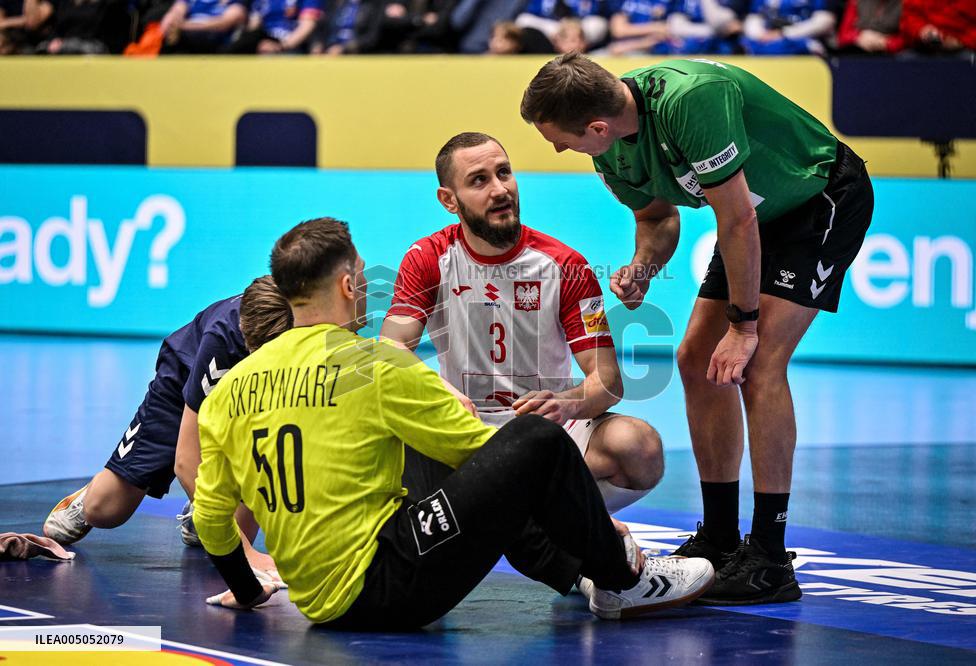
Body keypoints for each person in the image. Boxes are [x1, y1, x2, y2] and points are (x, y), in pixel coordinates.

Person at [193, 216, 714, 625]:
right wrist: (587, 523)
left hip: (316, 600)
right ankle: (623, 578)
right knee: (534, 439)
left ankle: (586, 570)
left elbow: (210, 520)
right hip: (390, 587)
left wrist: (246, 588)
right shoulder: (371, 362)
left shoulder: (231, 388)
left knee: (498, 448)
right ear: (351, 285)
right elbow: (484, 457)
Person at [521, 54, 874, 605]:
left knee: (757, 365)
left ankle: (771, 557)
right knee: (695, 361)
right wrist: (642, 266)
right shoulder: (613, 147)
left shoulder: (692, 99)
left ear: (596, 126)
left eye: (559, 139)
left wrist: (744, 325)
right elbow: (658, 218)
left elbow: (736, 220)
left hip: (816, 199)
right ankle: (720, 536)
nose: (558, 150)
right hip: (752, 217)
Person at [381, 132, 663, 515]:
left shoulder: (566, 265)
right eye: (479, 180)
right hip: (460, 432)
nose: (500, 189)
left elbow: (608, 383)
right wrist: (440, 395)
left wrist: (563, 404)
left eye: (504, 173)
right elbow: (391, 349)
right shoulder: (427, 258)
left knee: (639, 446)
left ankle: (562, 526)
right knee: (372, 428)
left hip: (545, 436)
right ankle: (530, 512)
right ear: (449, 200)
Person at [43, 276, 292, 576]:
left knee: (231, 518)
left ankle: (200, 514)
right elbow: (186, 461)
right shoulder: (222, 340)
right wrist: (246, 555)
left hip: (251, 392)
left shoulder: (314, 320)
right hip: (184, 383)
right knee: (108, 510)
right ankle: (88, 499)